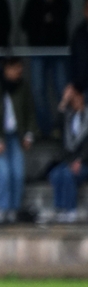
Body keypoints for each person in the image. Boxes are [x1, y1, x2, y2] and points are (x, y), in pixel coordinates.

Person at [0, 57, 36, 224]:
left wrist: (29, 134)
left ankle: (14, 209)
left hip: (16, 136)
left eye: (20, 68)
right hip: (0, 137)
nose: (19, 71)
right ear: (6, 69)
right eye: (15, 68)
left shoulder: (23, 87)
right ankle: (3, 210)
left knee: (18, 173)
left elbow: (30, 112)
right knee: (4, 173)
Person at [20, 0, 71, 138]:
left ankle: (64, 126)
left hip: (57, 51)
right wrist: (44, 18)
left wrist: (49, 9)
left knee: (62, 90)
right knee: (38, 91)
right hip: (38, 51)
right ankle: (46, 128)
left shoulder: (61, 0)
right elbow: (25, 23)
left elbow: (61, 19)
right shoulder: (32, 2)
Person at [49, 85, 88, 222]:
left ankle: (71, 210)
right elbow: (56, 127)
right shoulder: (69, 116)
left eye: (76, 97)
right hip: (69, 161)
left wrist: (80, 160)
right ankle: (60, 208)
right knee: (55, 174)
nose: (75, 101)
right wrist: (64, 101)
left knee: (67, 174)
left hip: (84, 162)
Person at [71, 0, 88, 96]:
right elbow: (74, 60)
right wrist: (75, 85)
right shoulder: (79, 33)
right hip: (82, 86)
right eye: (87, 8)